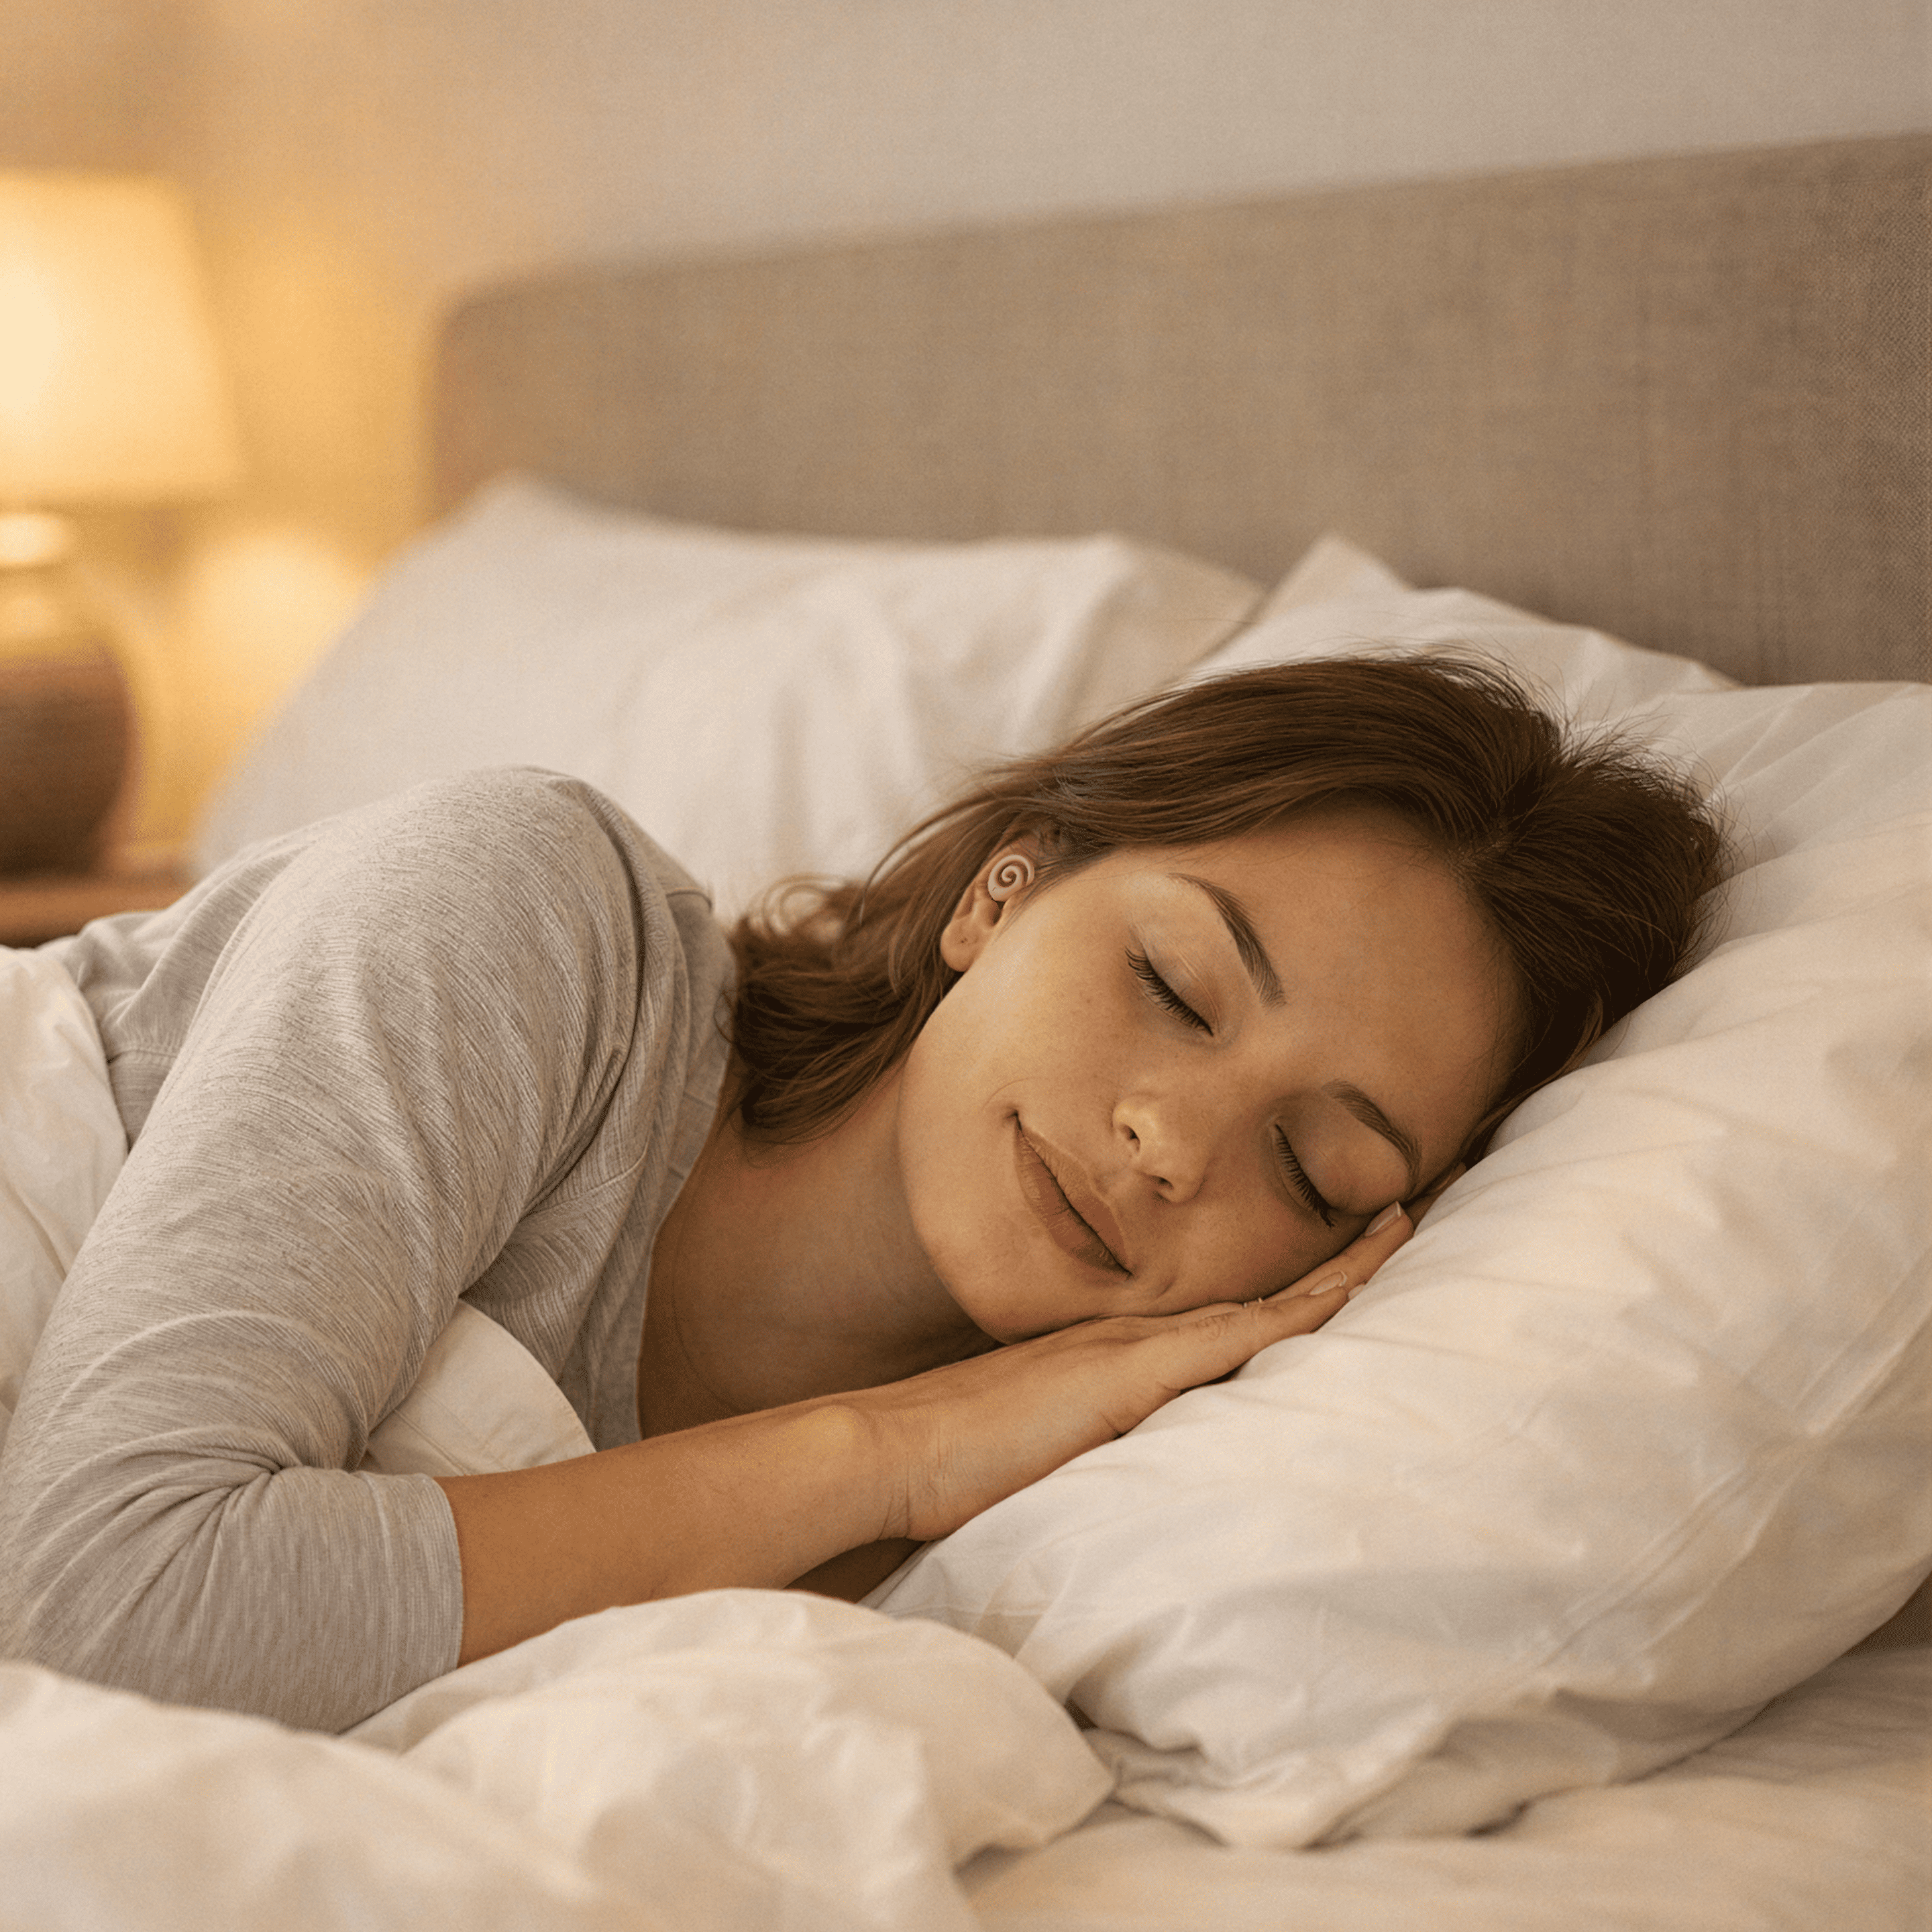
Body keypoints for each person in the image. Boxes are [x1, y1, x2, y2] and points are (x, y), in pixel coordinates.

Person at [0, 657, 1725, 1732]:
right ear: (998, 894)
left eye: (1312, 1163)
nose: (1176, 1144)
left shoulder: (1072, 1527)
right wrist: (876, 1455)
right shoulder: (526, 910)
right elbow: (106, 1603)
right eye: (1180, 988)